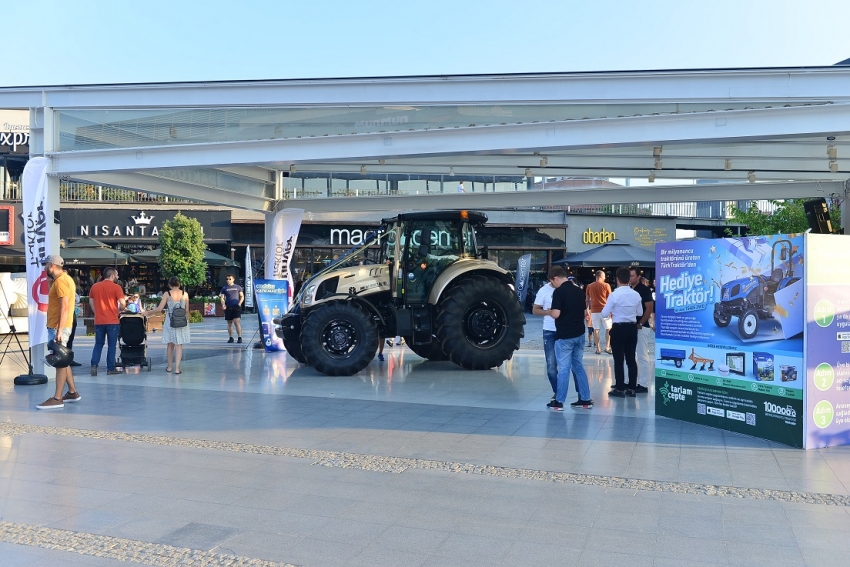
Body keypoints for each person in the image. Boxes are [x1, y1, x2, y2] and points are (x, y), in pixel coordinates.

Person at [37, 255, 81, 409]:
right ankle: (72, 392)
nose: (44, 268)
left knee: (60, 362)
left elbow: (65, 307)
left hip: (58, 326)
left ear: (52, 265)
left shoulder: (61, 281)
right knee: (63, 360)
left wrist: (59, 330)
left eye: (45, 265)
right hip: (58, 325)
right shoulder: (64, 279)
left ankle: (57, 398)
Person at [548, 273, 593, 409]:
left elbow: (556, 314)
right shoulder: (579, 290)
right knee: (578, 366)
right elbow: (586, 312)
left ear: (555, 278)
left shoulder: (559, 292)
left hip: (565, 336)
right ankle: (585, 399)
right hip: (579, 334)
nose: (552, 285)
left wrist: (549, 311)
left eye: (552, 282)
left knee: (564, 369)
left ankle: (559, 401)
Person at [602, 267, 643, 397]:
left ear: (617, 279)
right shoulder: (636, 294)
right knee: (631, 359)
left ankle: (620, 388)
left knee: (618, 359)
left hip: (618, 328)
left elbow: (604, 313)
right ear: (629, 279)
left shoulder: (614, 295)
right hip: (632, 328)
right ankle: (632, 388)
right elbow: (640, 313)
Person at [532, 266, 568, 399]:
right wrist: (548, 312)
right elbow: (535, 310)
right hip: (549, 331)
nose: (552, 284)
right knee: (551, 366)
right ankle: (558, 392)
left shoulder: (568, 288)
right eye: (551, 282)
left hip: (565, 331)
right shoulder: (544, 290)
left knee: (567, 364)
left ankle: (575, 393)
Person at [144, 277, 190, 373]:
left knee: (170, 344)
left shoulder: (167, 294)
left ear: (169, 285)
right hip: (182, 321)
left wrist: (148, 313)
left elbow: (159, 309)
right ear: (179, 284)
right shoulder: (185, 294)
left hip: (170, 321)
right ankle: (177, 369)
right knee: (179, 345)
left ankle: (169, 367)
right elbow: (187, 311)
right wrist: (187, 321)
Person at [88, 267, 127, 376]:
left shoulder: (95, 287)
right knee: (111, 345)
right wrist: (119, 310)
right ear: (112, 276)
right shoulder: (116, 287)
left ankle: (94, 365)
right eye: (117, 275)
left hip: (99, 320)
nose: (118, 277)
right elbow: (123, 303)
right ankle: (110, 368)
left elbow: (91, 301)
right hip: (112, 320)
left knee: (98, 344)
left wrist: (96, 312)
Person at [630, 268, 655, 394]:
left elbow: (649, 308)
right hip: (631, 326)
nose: (630, 278)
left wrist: (641, 323)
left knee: (642, 355)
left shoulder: (644, 290)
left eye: (632, 276)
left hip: (641, 326)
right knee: (630, 355)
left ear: (638, 277)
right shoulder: (629, 290)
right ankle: (630, 382)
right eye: (629, 276)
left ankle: (644, 384)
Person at [586, 270, 612, 354]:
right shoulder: (606, 285)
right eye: (604, 276)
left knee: (596, 329)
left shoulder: (589, 286)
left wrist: (587, 309)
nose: (605, 278)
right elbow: (610, 299)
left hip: (594, 310)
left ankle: (598, 348)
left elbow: (587, 300)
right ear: (601, 276)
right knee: (608, 329)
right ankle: (607, 347)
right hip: (605, 310)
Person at [219, 274, 245, 343]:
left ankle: (239, 337)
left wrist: (239, 303)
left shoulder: (238, 287)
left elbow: (242, 296)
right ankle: (231, 337)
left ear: (233, 279)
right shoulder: (224, 288)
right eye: (227, 279)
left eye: (230, 279)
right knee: (229, 323)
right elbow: (222, 298)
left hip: (236, 306)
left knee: (236, 322)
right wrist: (223, 304)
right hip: (228, 307)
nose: (228, 280)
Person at [66, 276, 82, 366]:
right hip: (65, 315)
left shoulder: (72, 290)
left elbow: (77, 299)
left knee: (70, 339)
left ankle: (69, 359)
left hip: (71, 315)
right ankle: (65, 359)